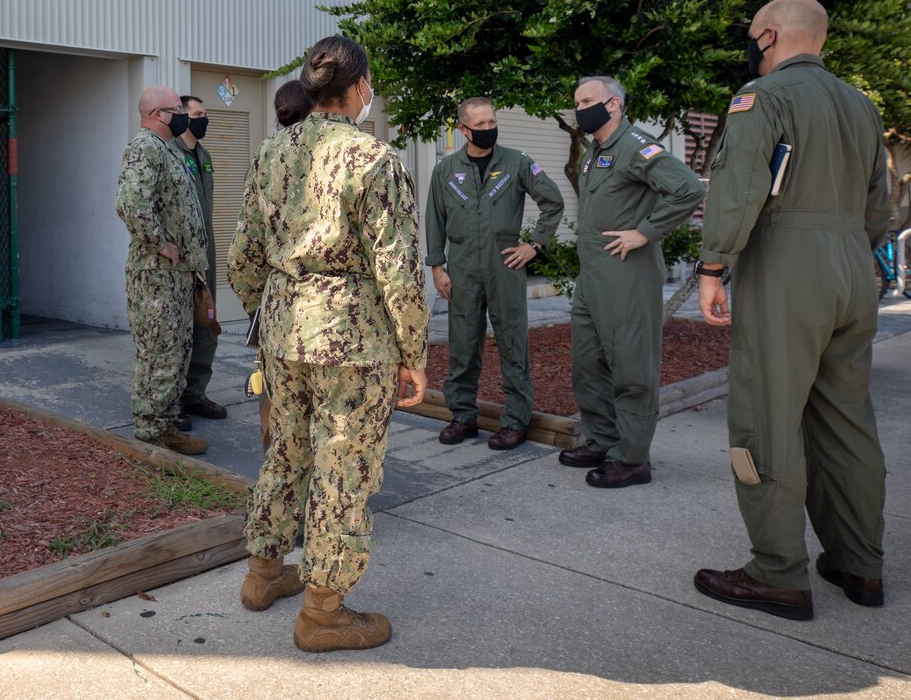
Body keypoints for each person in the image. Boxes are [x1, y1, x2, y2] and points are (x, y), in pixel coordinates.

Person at [693, 0, 890, 621]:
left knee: (767, 419)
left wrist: (714, 265)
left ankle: (776, 572)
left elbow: (739, 185)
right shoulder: (862, 106)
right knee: (846, 421)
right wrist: (854, 253)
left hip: (788, 267)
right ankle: (859, 563)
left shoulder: (764, 97)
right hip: (853, 266)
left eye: (754, 37)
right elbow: (879, 206)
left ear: (770, 35)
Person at [229, 36, 428, 652]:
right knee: (344, 468)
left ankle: (263, 574)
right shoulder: (374, 159)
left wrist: (267, 311)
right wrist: (414, 353)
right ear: (360, 86)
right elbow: (399, 270)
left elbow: (244, 255)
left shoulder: (271, 151)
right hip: (352, 342)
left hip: (286, 330)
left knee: (286, 450)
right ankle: (323, 614)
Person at [558, 76, 705, 487]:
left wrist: (645, 231)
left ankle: (633, 458)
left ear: (615, 105)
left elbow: (688, 189)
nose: (580, 107)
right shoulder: (594, 152)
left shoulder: (637, 146)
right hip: (593, 276)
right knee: (588, 365)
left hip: (627, 274)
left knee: (631, 367)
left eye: (588, 100)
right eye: (577, 101)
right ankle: (603, 440)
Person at [426, 97, 564, 450]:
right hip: (462, 270)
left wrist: (534, 245)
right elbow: (435, 218)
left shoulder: (517, 162)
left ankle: (515, 422)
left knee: (513, 343)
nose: (488, 129)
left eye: (492, 122)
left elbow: (553, 201)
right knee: (462, 345)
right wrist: (437, 267)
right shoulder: (446, 170)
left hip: (505, 266)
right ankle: (463, 417)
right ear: (463, 130)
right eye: (480, 124)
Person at [114, 86, 209, 455]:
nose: (182, 115)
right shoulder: (145, 149)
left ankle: (165, 422)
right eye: (175, 110)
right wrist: (160, 243)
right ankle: (152, 431)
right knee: (160, 352)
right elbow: (130, 203)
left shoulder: (168, 150)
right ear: (157, 114)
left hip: (176, 275)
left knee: (176, 351)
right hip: (156, 275)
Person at [171, 95, 227, 426]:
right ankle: (172, 399)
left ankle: (195, 393)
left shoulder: (203, 156)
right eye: (197, 114)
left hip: (207, 255)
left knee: (206, 324)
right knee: (178, 331)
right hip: (180, 259)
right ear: (181, 117)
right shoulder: (171, 155)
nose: (203, 119)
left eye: (205, 114)